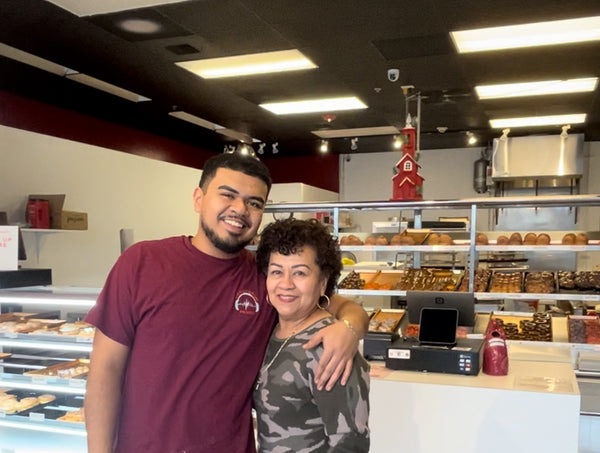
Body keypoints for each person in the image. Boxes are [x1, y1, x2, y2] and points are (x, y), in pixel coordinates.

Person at [84, 152, 369, 453]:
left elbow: (336, 303)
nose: (240, 209)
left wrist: (349, 328)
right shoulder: (142, 262)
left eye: (254, 202)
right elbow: (105, 372)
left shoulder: (265, 278)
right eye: (228, 195)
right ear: (198, 198)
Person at [254, 218, 370, 452]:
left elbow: (350, 445)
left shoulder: (329, 347)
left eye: (300, 273)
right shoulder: (269, 327)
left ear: (322, 282)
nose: (285, 284)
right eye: (277, 271)